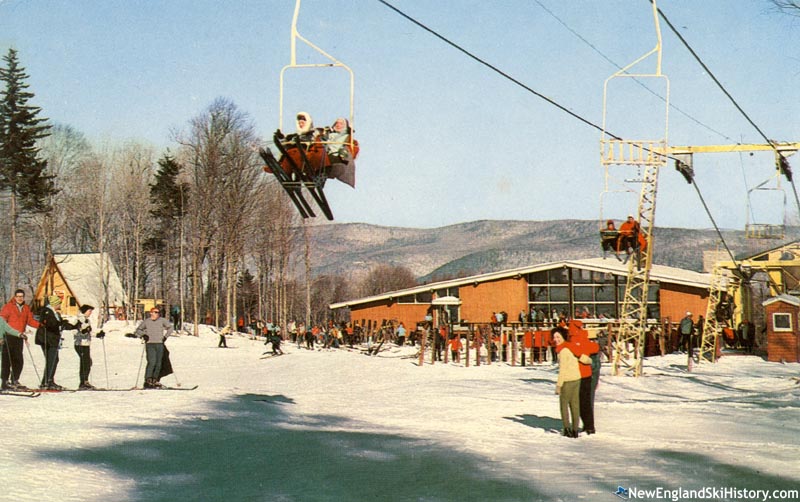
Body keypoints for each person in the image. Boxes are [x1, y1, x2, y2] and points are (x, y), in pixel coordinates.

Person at [1, 289, 39, 390]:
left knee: (18, 360)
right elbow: (2, 321)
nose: (20, 298)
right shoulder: (8, 307)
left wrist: (41, 326)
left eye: (21, 296)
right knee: (7, 360)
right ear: (14, 297)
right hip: (8, 336)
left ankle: (15, 380)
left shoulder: (26, 308)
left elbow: (30, 320)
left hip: (19, 337)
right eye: (18, 296)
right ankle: (4, 382)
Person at [135, 307, 173, 389]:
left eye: (157, 312)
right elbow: (138, 330)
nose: (156, 314)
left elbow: (170, 328)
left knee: (158, 363)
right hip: (150, 344)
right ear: (151, 313)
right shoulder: (147, 321)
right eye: (154, 312)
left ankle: (155, 380)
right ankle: (148, 380)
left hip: (160, 344)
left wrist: (165, 337)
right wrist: (144, 335)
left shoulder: (162, 320)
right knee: (152, 362)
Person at [553, 326, 581, 438]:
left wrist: (559, 385)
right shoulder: (570, 347)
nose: (556, 339)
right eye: (554, 337)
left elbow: (563, 370)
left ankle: (566, 428)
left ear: (563, 337)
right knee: (575, 405)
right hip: (577, 378)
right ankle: (575, 429)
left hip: (568, 380)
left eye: (558, 337)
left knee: (564, 405)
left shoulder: (563, 351)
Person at [37, 295, 68, 390]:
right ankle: (47, 381)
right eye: (59, 303)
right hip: (47, 339)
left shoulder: (55, 313)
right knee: (52, 359)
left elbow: (59, 324)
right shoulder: (46, 311)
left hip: (52, 340)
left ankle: (47, 381)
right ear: (55, 304)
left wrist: (75, 326)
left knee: (53, 359)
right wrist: (60, 323)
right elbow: (49, 324)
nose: (60, 305)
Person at [73, 304, 104, 390]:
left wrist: (98, 334)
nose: (90, 313)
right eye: (89, 311)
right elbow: (74, 331)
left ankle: (85, 381)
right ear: (85, 311)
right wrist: (82, 332)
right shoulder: (78, 320)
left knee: (88, 362)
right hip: (80, 344)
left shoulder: (87, 320)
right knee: (85, 363)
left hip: (86, 344)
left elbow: (89, 332)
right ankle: (83, 383)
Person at [0, 316, 25, 388]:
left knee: (5, 363)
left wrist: (19, 334)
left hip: (2, 345)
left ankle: (5, 383)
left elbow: (8, 329)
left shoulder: (1, 320)